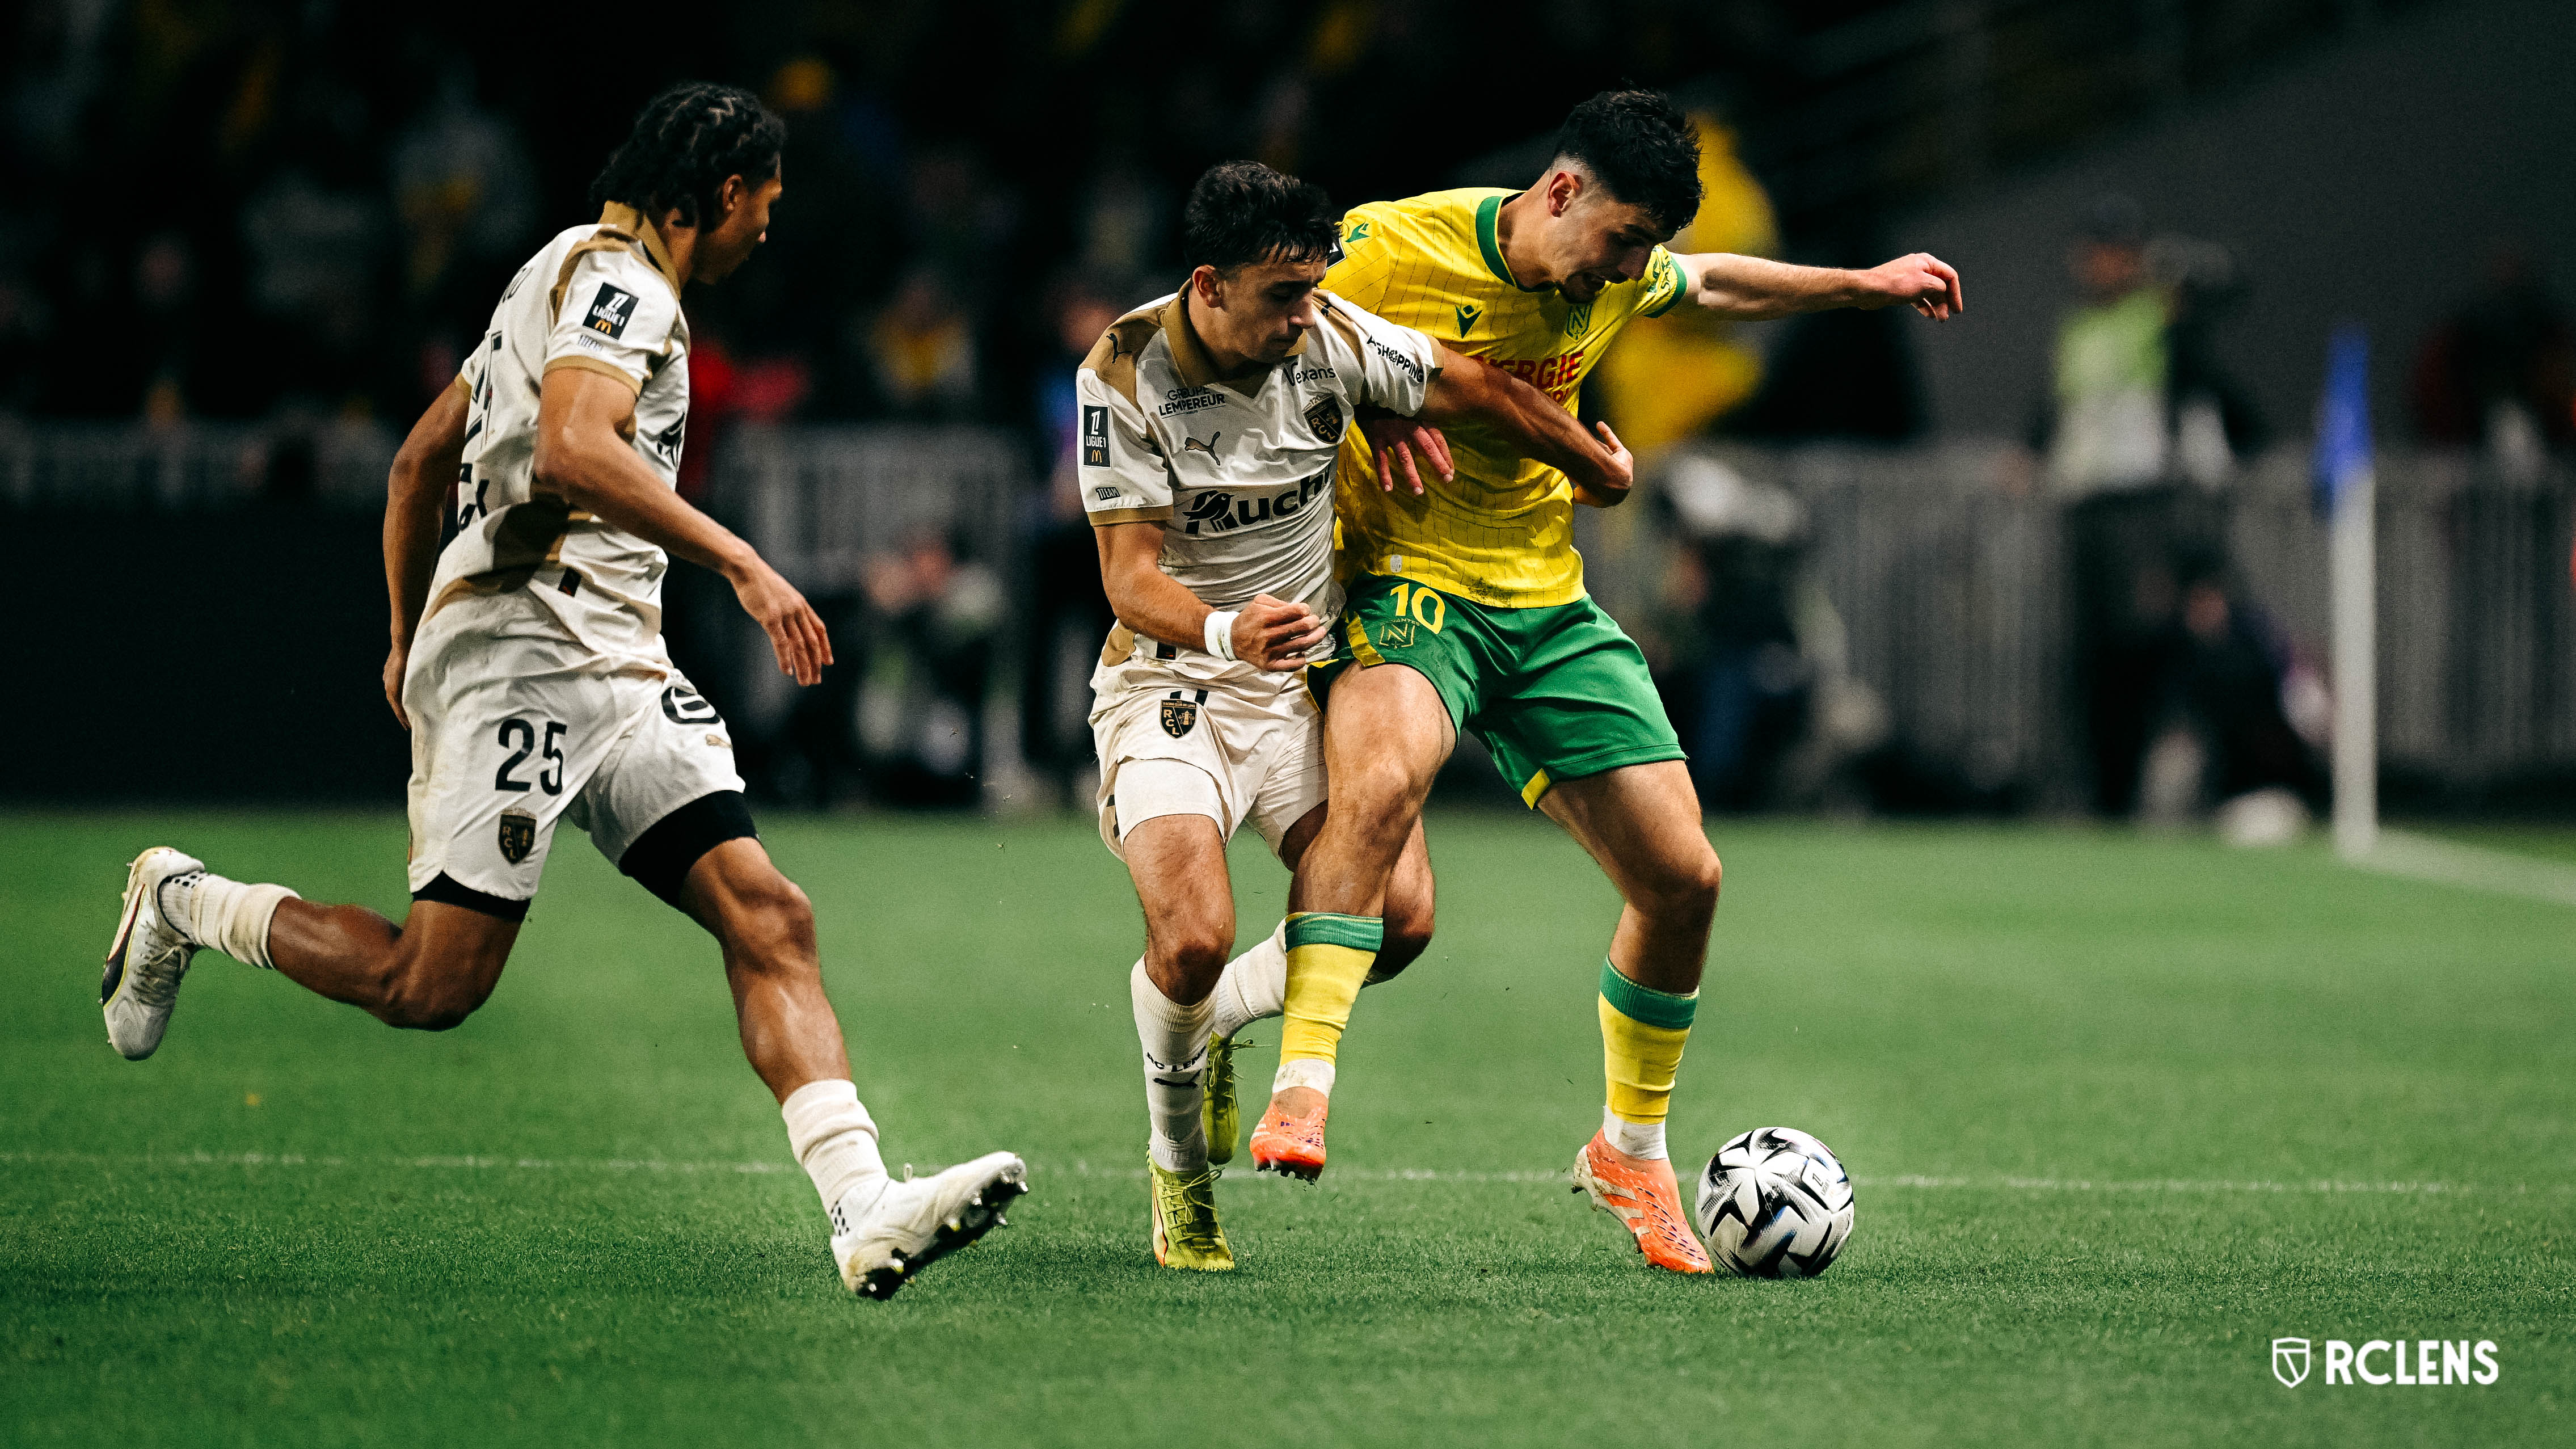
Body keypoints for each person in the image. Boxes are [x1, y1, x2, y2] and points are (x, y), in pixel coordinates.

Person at [95, 83, 1025, 1301]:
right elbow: (572, 451)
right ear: (716, 196)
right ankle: (184, 900)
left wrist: (396, 633)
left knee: (769, 912)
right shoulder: (625, 290)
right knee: (428, 986)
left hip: (617, 664)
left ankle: (863, 1205)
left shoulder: (554, 279)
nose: (770, 228)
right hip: (522, 659)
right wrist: (742, 559)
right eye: (766, 203)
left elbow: (419, 461)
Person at [1244, 89, 1961, 1275]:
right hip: (1404, 581)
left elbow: (1716, 282)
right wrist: (1361, 423)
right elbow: (1260, 340)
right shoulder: (1388, 243)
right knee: (1386, 781)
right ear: (1561, 191)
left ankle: (1629, 1147)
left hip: (1544, 600)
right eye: (1622, 238)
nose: (1629, 267)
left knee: (1684, 876)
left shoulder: (1619, 266)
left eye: (1645, 248)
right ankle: (1304, 1084)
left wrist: (1865, 282)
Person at [1082, 161, 1633, 1270]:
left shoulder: (1330, 336)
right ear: (1210, 285)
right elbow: (1129, 576)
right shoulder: (1126, 371)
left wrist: (1593, 461)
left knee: (1406, 920)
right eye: (1283, 295)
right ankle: (1180, 1171)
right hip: (1173, 677)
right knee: (1190, 935)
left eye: (1314, 288)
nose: (1308, 314)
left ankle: (1218, 1016)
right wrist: (1231, 629)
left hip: (1299, 680)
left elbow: (1476, 387)